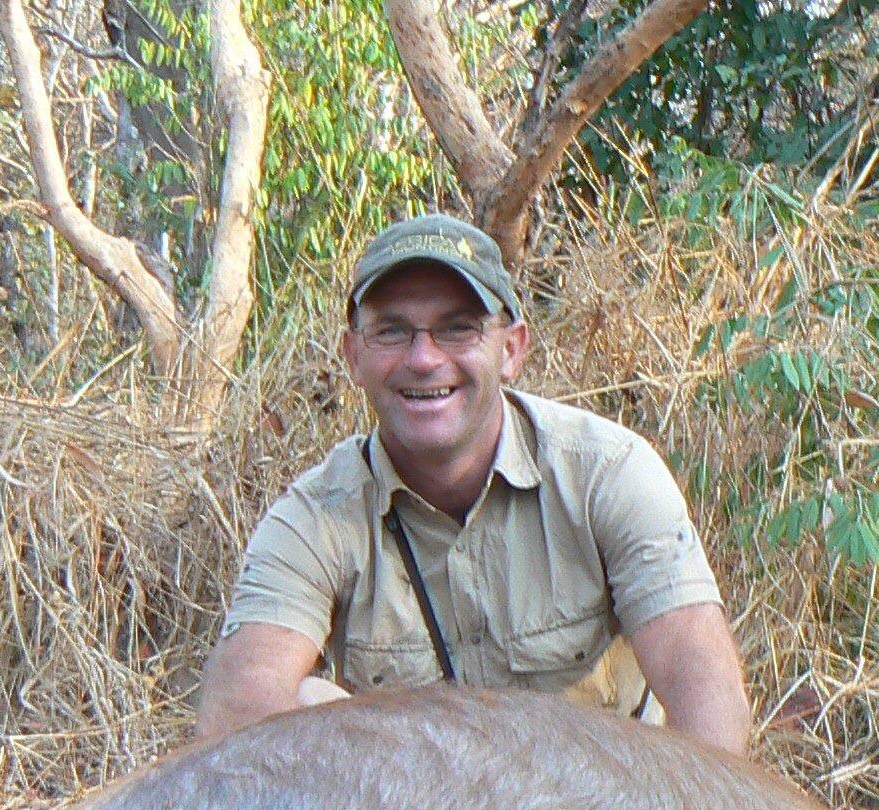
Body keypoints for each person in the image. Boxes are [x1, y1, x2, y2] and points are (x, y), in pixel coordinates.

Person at [197, 213, 752, 750]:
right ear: (353, 355)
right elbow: (236, 716)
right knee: (307, 701)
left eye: (458, 328)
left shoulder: (608, 473)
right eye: (391, 331)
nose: (422, 359)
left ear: (510, 349)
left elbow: (705, 689)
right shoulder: (314, 517)